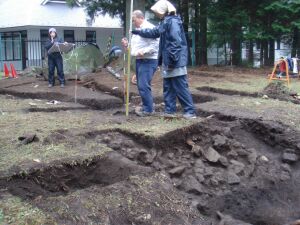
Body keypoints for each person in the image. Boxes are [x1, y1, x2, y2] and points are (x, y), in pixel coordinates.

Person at [132, 0, 196, 119]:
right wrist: (139, 32)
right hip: (169, 60)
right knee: (168, 87)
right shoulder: (166, 22)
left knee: (180, 86)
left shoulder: (173, 22)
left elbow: (176, 43)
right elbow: (154, 32)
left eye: (156, 11)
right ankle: (169, 110)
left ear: (162, 11)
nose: (156, 14)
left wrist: (172, 60)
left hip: (175, 61)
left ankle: (190, 111)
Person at [121, 10, 159, 117]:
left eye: (134, 20)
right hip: (139, 60)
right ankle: (146, 106)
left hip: (148, 60)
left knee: (143, 85)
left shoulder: (149, 27)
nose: (133, 22)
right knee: (140, 85)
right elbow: (134, 48)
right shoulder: (137, 31)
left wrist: (145, 51)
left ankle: (148, 110)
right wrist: (126, 45)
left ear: (140, 18)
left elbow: (156, 44)